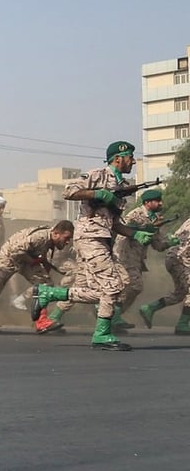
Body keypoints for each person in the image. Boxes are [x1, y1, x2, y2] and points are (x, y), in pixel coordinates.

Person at [31, 141, 155, 351]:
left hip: (104, 239)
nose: (133, 161)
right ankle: (102, 334)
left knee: (100, 291)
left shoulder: (120, 186)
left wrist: (136, 233)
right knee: (114, 285)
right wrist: (97, 193)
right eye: (130, 157)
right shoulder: (98, 175)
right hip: (89, 238)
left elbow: (115, 224)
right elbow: (69, 192)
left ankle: (48, 294)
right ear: (118, 158)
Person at [0, 221, 74, 333]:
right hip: (9, 258)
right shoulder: (40, 237)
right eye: (66, 238)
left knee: (45, 285)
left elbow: (42, 257)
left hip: (24, 259)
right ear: (56, 234)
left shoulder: (50, 240)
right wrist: (32, 261)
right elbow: (16, 250)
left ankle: (41, 321)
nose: (68, 242)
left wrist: (41, 269)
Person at [111, 189, 173, 330]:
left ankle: (113, 316)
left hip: (137, 258)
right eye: (157, 200)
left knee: (133, 287)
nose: (160, 203)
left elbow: (157, 244)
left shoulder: (155, 218)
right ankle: (112, 314)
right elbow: (125, 230)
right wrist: (146, 228)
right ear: (147, 202)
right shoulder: (135, 215)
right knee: (134, 285)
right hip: (125, 255)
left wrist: (169, 242)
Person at [139, 218, 190, 334]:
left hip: (175, 257)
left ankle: (151, 308)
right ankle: (183, 323)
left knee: (181, 293)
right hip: (181, 259)